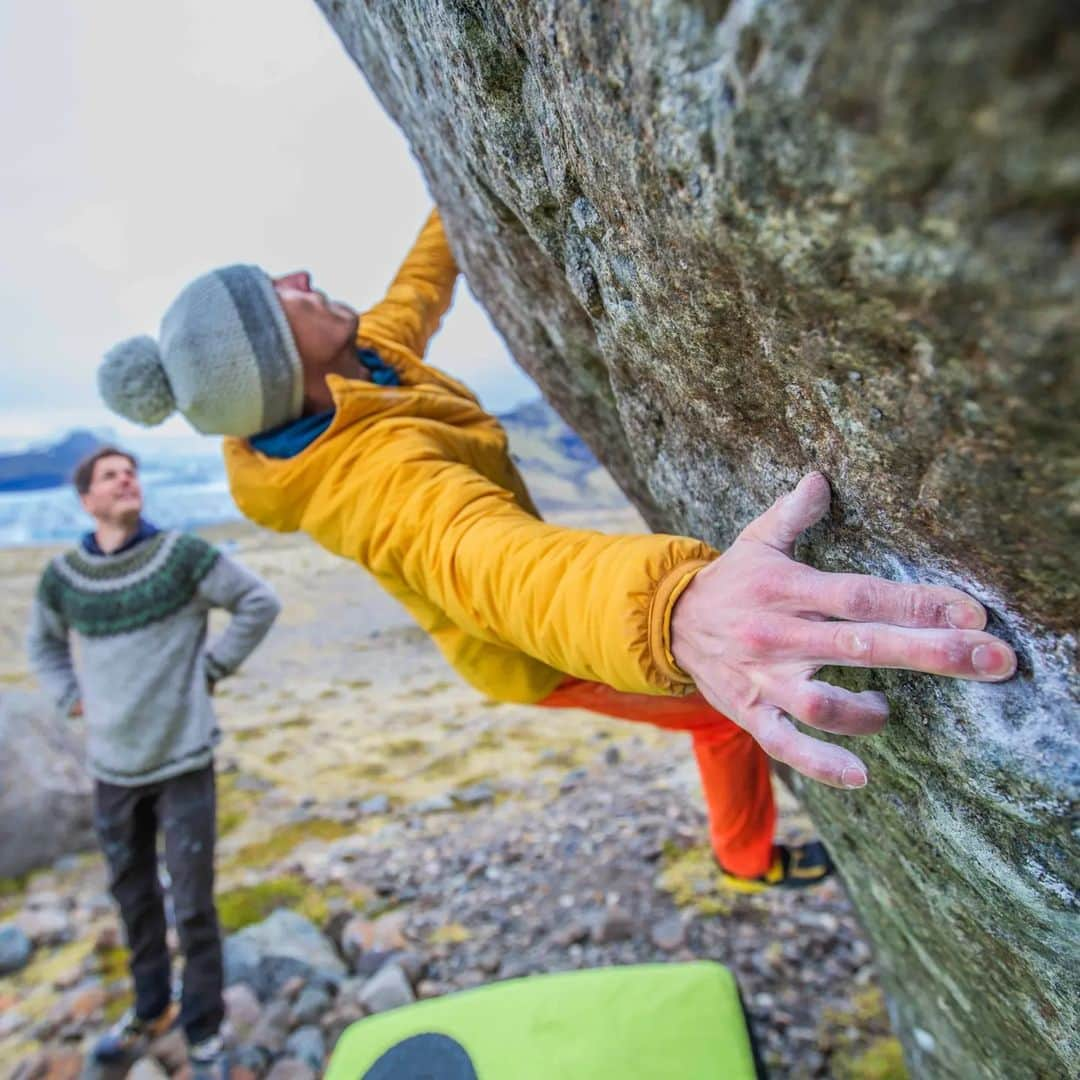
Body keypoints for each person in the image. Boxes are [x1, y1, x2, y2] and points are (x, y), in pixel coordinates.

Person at [96, 209, 1017, 893]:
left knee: (713, 709)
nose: (298, 274)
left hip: (538, 614)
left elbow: (416, 290)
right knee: (714, 712)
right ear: (272, 365)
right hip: (527, 648)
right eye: (276, 294)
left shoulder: (357, 365)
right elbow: (482, 558)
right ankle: (746, 861)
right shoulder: (364, 478)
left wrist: (447, 194)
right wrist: (672, 608)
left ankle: (740, 847)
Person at [27, 446, 281, 1078]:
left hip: (182, 759)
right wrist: (67, 696)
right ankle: (149, 1009)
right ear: (87, 500)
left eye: (132, 471)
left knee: (193, 904)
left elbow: (258, 602)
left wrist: (212, 671)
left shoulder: (181, 557)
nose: (126, 480)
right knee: (133, 897)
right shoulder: (66, 577)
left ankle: (205, 1029)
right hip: (112, 768)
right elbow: (42, 642)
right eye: (110, 475)